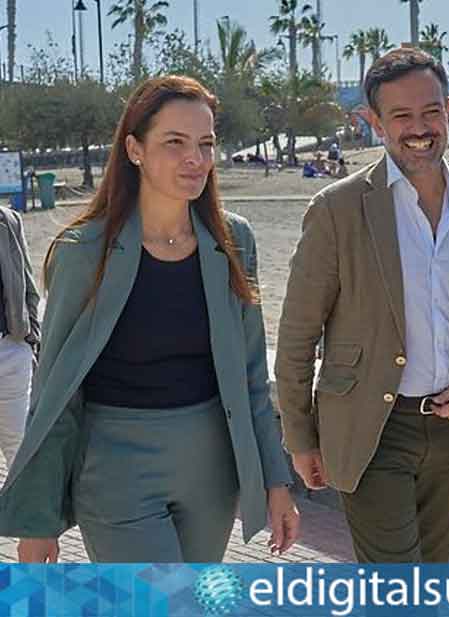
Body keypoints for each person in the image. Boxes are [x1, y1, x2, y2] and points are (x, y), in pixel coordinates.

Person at [0, 75, 300, 563]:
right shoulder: (83, 251)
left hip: (212, 471)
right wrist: (38, 520)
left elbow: (249, 377)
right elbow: (55, 387)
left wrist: (275, 481)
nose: (195, 159)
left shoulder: (233, 240)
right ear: (135, 149)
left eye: (205, 144)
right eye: (175, 142)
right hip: (116, 471)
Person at [275, 47, 449, 563]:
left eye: (431, 111)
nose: (420, 128)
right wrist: (300, 437)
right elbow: (298, 334)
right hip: (371, 430)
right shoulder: (337, 209)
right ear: (373, 122)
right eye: (401, 116)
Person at [0, 205, 39, 467]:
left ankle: (21, 508)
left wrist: (30, 336)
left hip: (10, 348)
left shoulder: (7, 220)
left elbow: (28, 283)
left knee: (21, 447)